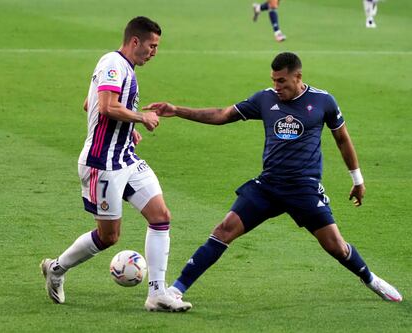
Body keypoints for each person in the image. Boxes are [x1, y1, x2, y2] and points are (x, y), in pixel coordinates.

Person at [143, 52, 403, 308]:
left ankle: (371, 279)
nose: (277, 86)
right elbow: (222, 115)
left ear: (298, 77)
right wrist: (177, 110)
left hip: (304, 189)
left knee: (336, 247)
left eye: (282, 81)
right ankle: (175, 290)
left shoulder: (323, 101)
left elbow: (342, 138)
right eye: (274, 80)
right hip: (268, 186)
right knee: (223, 230)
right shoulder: (265, 99)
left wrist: (357, 180)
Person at [40, 16, 192, 312]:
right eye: (152, 45)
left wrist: (125, 129)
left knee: (161, 216)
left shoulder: (124, 68)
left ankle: (157, 294)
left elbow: (91, 105)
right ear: (135, 41)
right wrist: (140, 118)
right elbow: (107, 107)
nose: (154, 52)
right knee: (109, 236)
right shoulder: (113, 64)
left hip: (125, 157)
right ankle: (56, 269)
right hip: (102, 163)